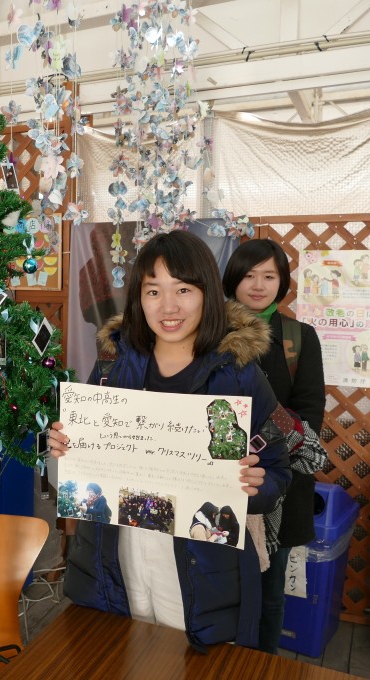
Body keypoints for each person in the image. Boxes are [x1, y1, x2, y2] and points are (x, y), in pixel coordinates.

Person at [47, 230, 290, 652]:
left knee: (189, 662)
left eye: (184, 289)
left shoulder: (237, 373)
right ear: (139, 297)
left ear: (207, 294)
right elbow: (75, 468)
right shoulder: (111, 366)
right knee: (122, 657)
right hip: (118, 556)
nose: (169, 306)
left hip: (201, 566)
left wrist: (257, 484)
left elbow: (279, 470)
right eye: (153, 290)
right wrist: (63, 449)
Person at [222, 238, 328, 654]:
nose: (258, 285)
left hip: (279, 489)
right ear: (233, 279)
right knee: (217, 582)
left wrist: (266, 449)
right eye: (249, 275)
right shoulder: (209, 330)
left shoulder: (299, 337)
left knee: (269, 591)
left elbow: (310, 412)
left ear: (283, 282)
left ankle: (262, 664)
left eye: (269, 276)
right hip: (218, 480)